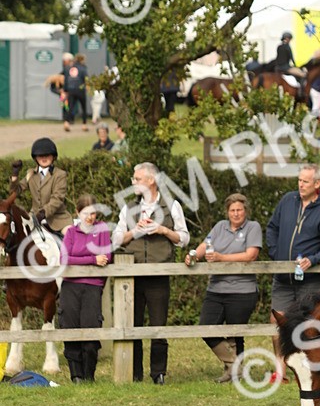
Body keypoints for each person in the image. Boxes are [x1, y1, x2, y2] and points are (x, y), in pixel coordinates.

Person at [112, 161, 189, 383]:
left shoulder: (171, 205)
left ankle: (158, 374)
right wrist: (135, 231)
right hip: (132, 276)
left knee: (158, 326)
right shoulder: (128, 208)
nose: (133, 183)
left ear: (151, 181)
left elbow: (183, 239)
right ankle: (134, 374)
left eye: (136, 179)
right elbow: (116, 240)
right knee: (132, 326)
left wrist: (163, 230)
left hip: (158, 274)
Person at [185, 193, 263, 383]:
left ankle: (232, 373)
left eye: (239, 210)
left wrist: (221, 258)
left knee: (235, 334)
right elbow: (205, 245)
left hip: (242, 290)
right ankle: (235, 367)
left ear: (245, 211)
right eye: (232, 210)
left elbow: (251, 255)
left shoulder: (253, 227)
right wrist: (193, 255)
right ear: (227, 212)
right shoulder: (220, 226)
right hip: (216, 288)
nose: (236, 214)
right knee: (206, 327)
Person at [266, 164, 320, 314]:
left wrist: (312, 260)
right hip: (282, 279)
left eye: (305, 181)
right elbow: (272, 228)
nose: (300, 184)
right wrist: (275, 252)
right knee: (277, 325)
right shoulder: (287, 200)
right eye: (299, 180)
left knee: (306, 328)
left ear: (317, 183)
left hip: (309, 281)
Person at [59, 194, 111, 383]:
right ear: (78, 213)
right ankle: (76, 376)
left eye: (93, 213)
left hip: (92, 286)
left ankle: (89, 375)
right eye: (86, 213)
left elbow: (106, 257)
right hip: (70, 286)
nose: (90, 217)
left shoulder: (102, 229)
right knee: (70, 328)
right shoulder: (71, 232)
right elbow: (64, 259)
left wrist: (90, 260)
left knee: (91, 329)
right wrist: (91, 259)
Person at [9, 139, 71, 234]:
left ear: (53, 157)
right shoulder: (31, 174)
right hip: (34, 218)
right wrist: (15, 175)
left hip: (58, 219)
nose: (44, 158)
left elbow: (57, 199)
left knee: (70, 236)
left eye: (47, 155)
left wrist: (43, 213)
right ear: (35, 158)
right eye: (40, 156)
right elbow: (15, 192)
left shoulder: (60, 175)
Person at [63, 54, 89, 130]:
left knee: (70, 107)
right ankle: (84, 124)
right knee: (83, 107)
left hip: (71, 89)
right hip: (80, 89)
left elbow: (66, 80)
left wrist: (65, 90)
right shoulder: (83, 68)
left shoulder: (69, 68)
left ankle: (66, 122)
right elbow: (86, 78)